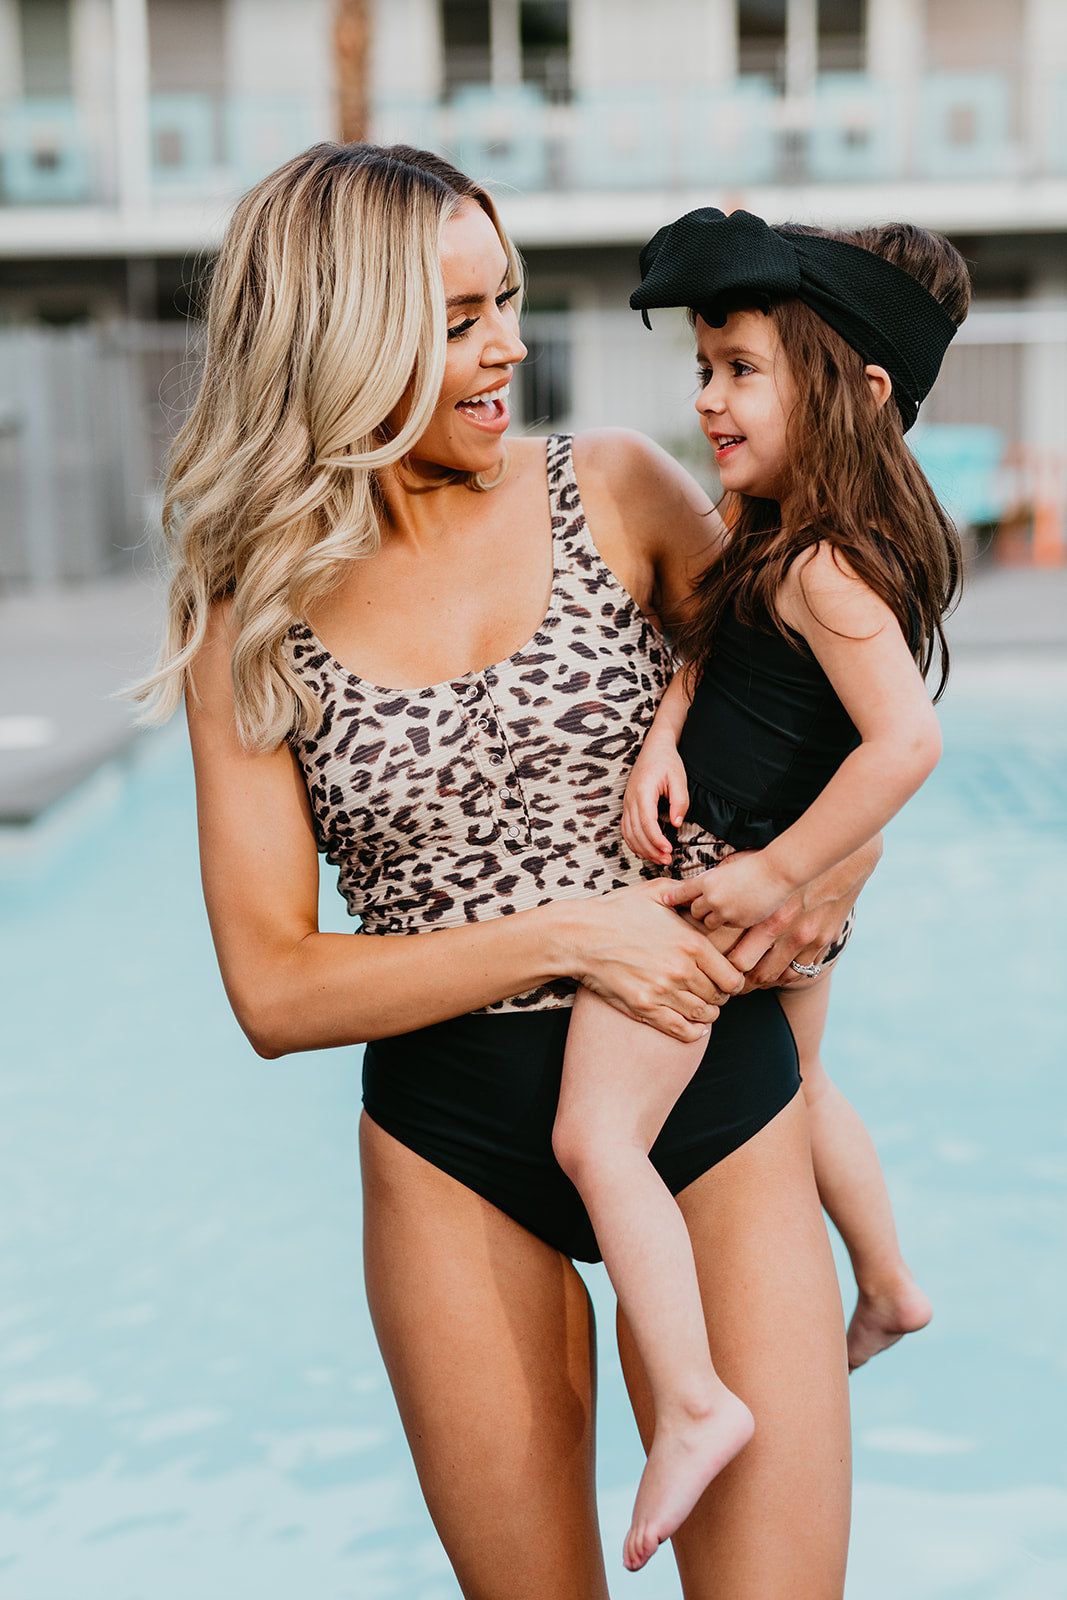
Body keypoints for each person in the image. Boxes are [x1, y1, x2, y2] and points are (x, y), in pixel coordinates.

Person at [136, 145, 877, 1600]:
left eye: (511, 300)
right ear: (346, 339)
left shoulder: (616, 490)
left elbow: (831, 684)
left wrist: (831, 886)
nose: (512, 345)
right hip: (450, 1154)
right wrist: (578, 934)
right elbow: (275, 985)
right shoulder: (255, 616)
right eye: (462, 317)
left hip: (707, 1097)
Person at [552, 207, 969, 1571]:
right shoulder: (783, 532)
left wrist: (777, 873)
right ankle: (894, 1286)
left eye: (740, 370)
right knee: (794, 1100)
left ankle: (691, 1400)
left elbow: (906, 741)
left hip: (724, 900)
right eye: (704, 368)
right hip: (774, 899)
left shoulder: (832, 567)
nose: (709, 400)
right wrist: (668, 729)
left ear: (849, 398)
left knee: (597, 1142)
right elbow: (713, 646)